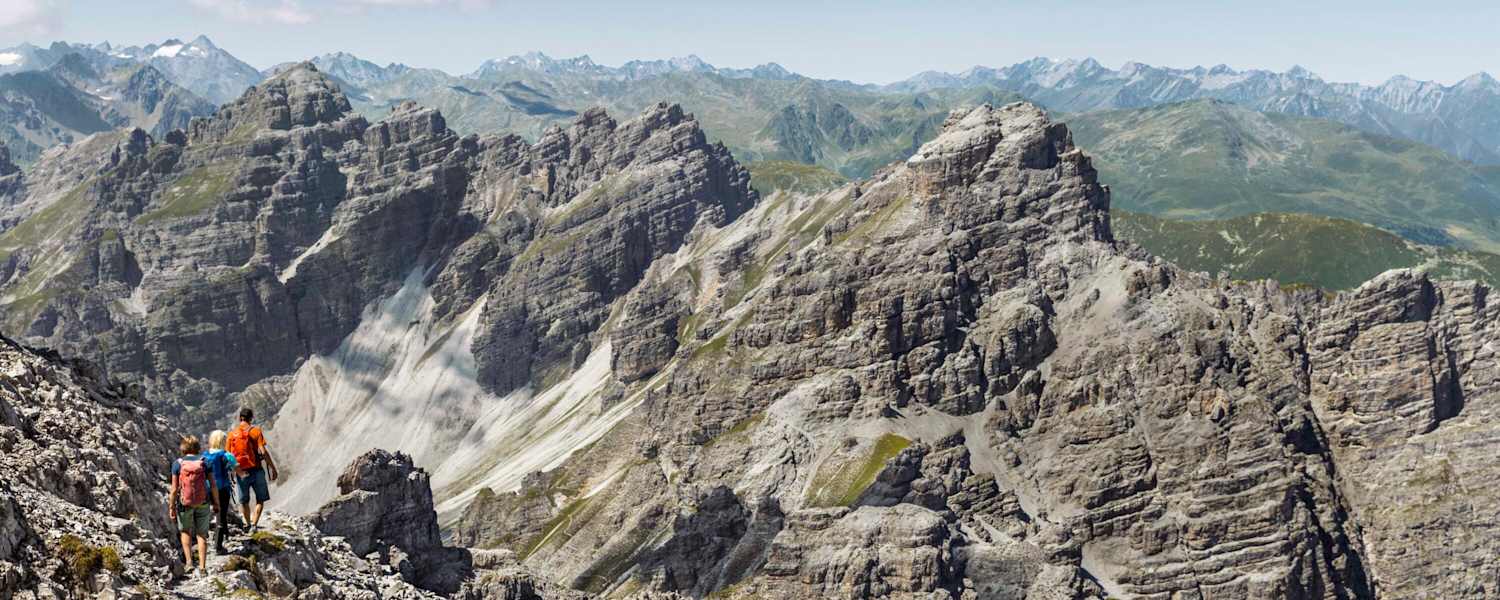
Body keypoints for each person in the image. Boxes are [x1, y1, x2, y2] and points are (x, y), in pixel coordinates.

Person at [169, 435, 216, 577]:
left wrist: (171, 507)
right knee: (202, 534)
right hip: (203, 502)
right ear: (197, 448)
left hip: (185, 503)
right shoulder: (205, 462)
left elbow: (174, 489)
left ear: (183, 448)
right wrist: (216, 503)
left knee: (186, 531)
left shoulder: (178, 464)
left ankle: (189, 562)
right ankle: (202, 568)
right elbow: (213, 485)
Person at [227, 407, 279, 531]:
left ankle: (247, 524)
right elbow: (263, 451)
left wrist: (232, 473)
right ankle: (254, 525)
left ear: (240, 418)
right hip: (256, 470)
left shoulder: (231, 434)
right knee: (260, 499)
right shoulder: (256, 431)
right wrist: (272, 468)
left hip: (241, 472)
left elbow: (228, 456)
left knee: (244, 501)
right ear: (251, 418)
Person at [203, 430, 240, 554]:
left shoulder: (204, 455)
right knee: (221, 514)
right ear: (223, 441)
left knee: (210, 513)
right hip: (222, 488)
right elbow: (236, 468)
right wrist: (244, 474)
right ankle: (218, 546)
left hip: (207, 488)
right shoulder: (226, 455)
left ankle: (222, 536)